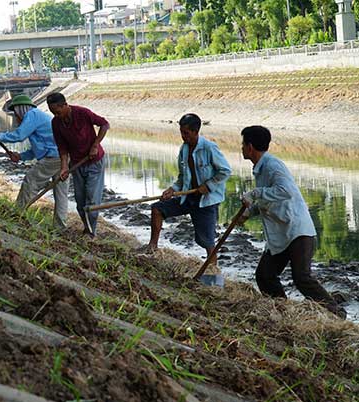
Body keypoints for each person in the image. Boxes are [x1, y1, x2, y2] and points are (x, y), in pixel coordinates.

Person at [239, 125, 346, 319]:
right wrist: (249, 212)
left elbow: (285, 191)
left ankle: (337, 315)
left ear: (250, 147)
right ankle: (283, 313)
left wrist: (255, 193)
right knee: (265, 275)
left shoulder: (272, 165)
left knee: (302, 277)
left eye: (243, 143)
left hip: (297, 232)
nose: (241, 147)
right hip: (282, 234)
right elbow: (270, 200)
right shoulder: (260, 168)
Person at [146, 113, 231, 260]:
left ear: (195, 131)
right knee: (157, 209)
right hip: (187, 197)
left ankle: (212, 269)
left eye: (186, 133)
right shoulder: (184, 149)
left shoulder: (209, 148)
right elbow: (182, 177)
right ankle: (152, 248)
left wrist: (208, 185)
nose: (183, 136)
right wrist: (172, 189)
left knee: (207, 241)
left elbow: (225, 171)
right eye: (181, 133)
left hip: (206, 201)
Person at [0, 94, 68, 230]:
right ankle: (60, 227)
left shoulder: (32, 115)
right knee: (61, 192)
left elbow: (19, 135)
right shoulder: (37, 117)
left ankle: (16, 214)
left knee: (30, 181)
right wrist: (20, 156)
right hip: (63, 157)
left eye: (15, 112)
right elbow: (38, 147)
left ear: (21, 109)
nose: (16, 116)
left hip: (55, 157)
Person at [46, 92, 109, 236]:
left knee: (92, 201)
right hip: (77, 164)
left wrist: (95, 145)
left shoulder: (83, 113)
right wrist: (64, 167)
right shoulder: (56, 122)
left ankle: (91, 233)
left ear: (65, 105)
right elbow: (62, 147)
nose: (56, 115)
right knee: (80, 202)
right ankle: (87, 228)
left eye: (57, 111)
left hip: (94, 161)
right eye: (53, 113)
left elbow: (104, 124)